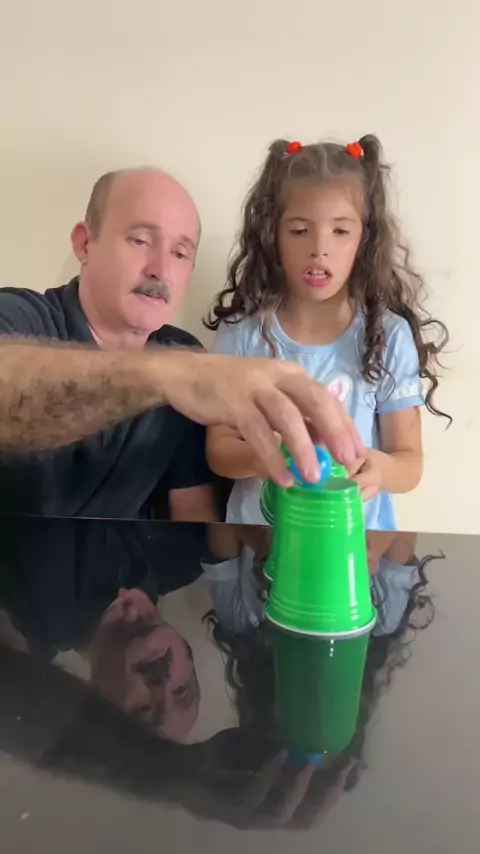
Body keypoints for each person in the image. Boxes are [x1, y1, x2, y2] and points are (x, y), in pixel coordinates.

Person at [0, 168, 363, 518]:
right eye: (140, 240)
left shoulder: (185, 356)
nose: (160, 270)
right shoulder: (20, 317)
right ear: (85, 243)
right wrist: (167, 375)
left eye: (180, 253)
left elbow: (192, 510)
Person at [205, 134, 450, 529]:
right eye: (299, 230)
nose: (319, 249)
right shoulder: (242, 333)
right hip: (258, 543)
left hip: (355, 548)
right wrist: (267, 455)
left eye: (340, 231)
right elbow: (219, 449)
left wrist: (377, 469)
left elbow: (409, 462)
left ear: (365, 238)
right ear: (271, 234)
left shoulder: (388, 335)